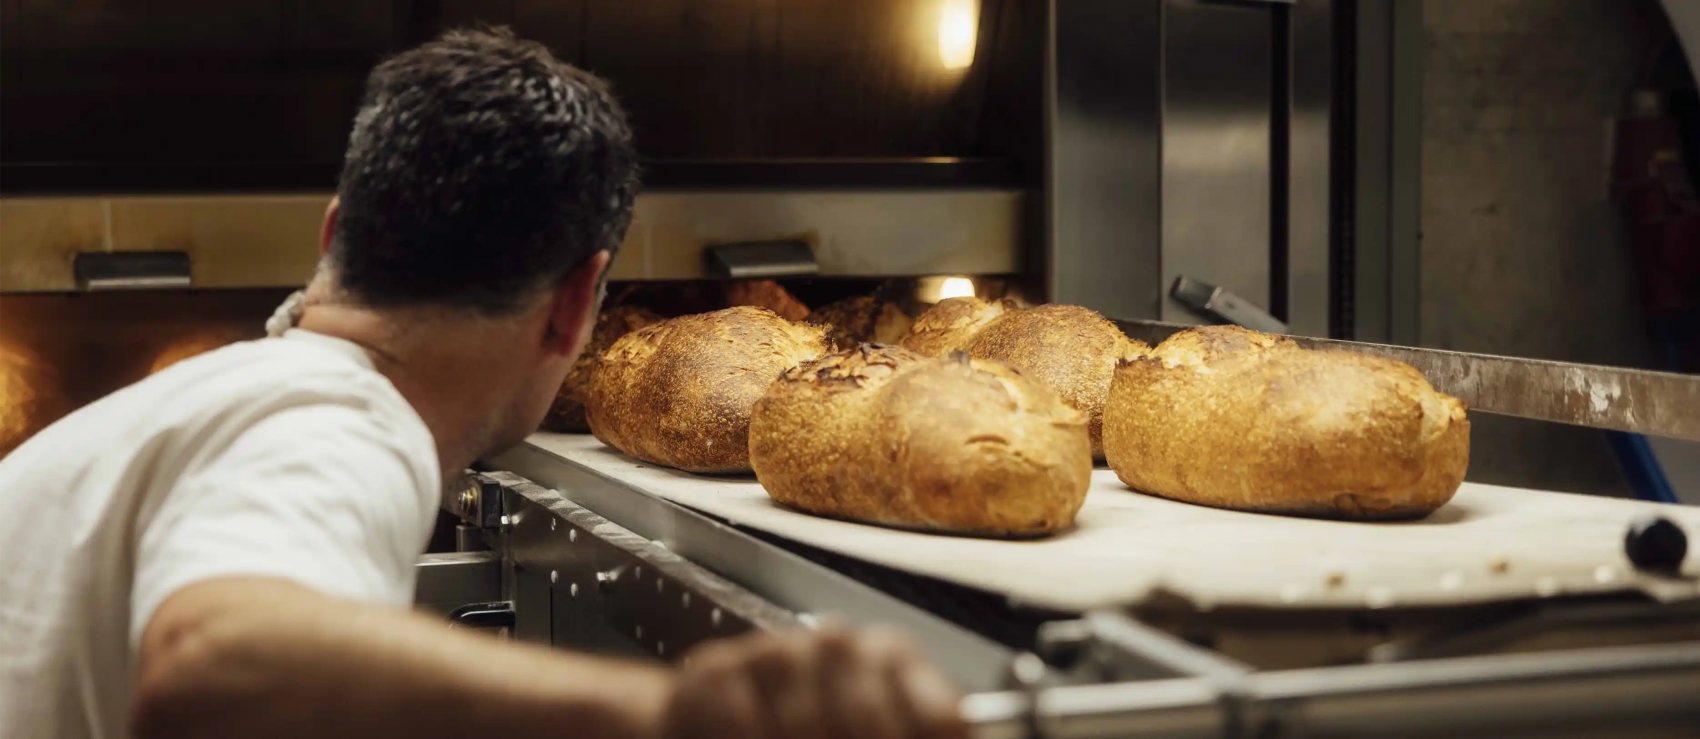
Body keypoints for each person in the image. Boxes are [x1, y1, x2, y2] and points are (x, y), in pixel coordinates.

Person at [0, 28, 968, 739]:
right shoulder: (336, 426)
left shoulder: (208, 400)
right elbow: (212, 663)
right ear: (576, 301)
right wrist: (678, 712)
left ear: (335, 234)